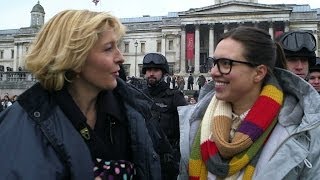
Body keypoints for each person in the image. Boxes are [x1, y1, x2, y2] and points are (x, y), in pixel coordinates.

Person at [0, 10, 163, 180]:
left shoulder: (135, 112)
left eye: (119, 47)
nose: (121, 58)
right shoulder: (15, 127)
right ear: (73, 58)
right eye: (108, 48)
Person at [178, 26, 320, 179]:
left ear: (259, 73)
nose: (213, 72)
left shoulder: (302, 131)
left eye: (226, 63)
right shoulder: (194, 120)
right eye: (214, 62)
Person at [141, 52, 188, 180]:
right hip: (144, 159)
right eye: (149, 70)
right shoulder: (138, 96)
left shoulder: (175, 97)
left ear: (163, 73)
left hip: (167, 162)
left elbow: (185, 130)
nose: (151, 73)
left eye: (156, 70)